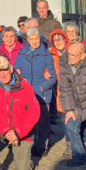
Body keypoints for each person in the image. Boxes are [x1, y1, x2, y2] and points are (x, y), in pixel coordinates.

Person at [0, 56, 40, 170]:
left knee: (22, 167)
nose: (2, 74)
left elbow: (34, 112)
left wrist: (18, 132)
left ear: (11, 68)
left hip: (22, 131)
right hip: (3, 127)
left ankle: (27, 162)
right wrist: (6, 129)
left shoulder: (25, 86)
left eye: (4, 69)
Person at [13, 27, 56, 157]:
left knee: (43, 122)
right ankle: (30, 145)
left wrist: (41, 88)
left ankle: (42, 146)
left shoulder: (46, 54)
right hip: (25, 93)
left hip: (42, 93)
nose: (34, 41)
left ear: (40, 38)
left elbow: (53, 77)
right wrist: (19, 78)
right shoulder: (22, 53)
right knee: (29, 121)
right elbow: (15, 72)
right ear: (28, 40)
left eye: (36, 38)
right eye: (31, 39)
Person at [48, 29, 72, 157]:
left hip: (75, 90)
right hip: (59, 91)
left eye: (60, 39)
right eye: (55, 40)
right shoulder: (50, 54)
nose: (58, 42)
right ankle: (69, 144)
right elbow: (47, 68)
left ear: (65, 39)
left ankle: (84, 142)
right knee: (65, 118)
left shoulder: (72, 50)